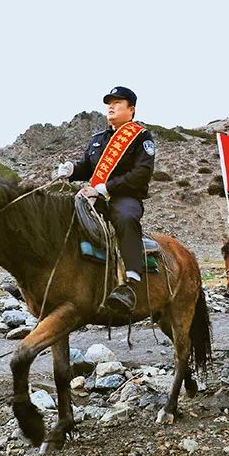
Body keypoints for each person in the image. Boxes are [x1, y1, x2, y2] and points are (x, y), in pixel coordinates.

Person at [53, 86, 155, 315]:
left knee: (126, 218)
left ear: (131, 109)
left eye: (117, 103)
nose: (111, 107)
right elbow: (87, 167)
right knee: (61, 216)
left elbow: (142, 172)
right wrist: (71, 170)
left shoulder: (141, 137)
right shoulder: (98, 139)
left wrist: (107, 187)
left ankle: (131, 282)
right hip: (95, 198)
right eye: (109, 103)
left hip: (125, 196)